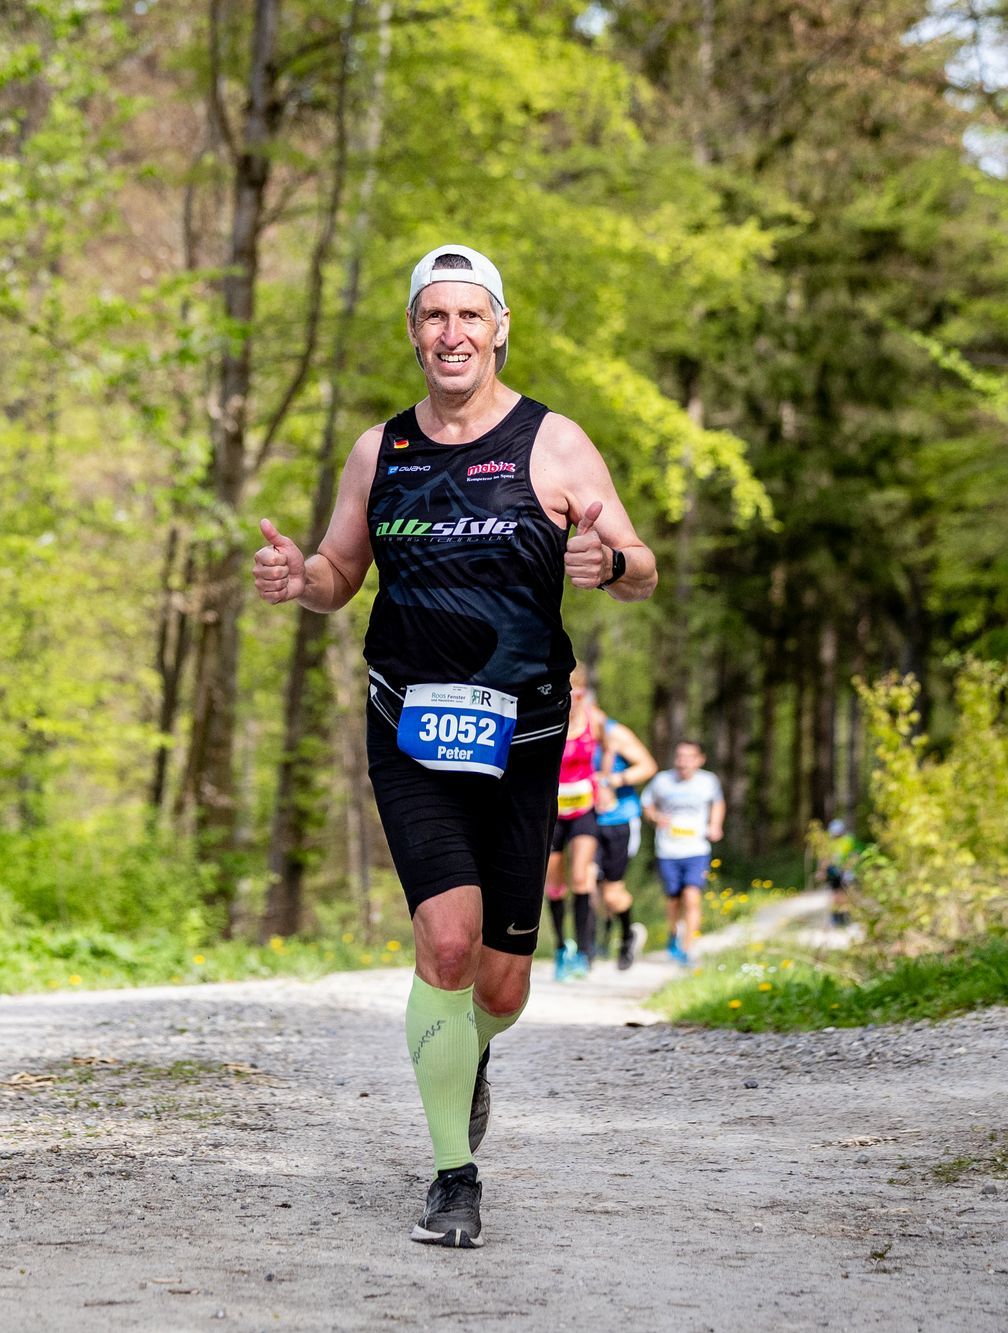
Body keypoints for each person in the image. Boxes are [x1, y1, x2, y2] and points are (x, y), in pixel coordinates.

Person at [251, 244, 656, 1249]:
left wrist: (605, 560)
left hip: (524, 738)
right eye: (433, 316)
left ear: (499, 326)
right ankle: (451, 1174)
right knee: (442, 939)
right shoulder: (374, 451)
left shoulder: (553, 443)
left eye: (469, 315)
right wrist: (297, 577)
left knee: (501, 984)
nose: (451, 333)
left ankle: (467, 1053)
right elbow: (340, 571)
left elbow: (642, 565)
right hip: (410, 729)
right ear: (412, 331)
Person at [642, 740, 725, 966]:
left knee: (692, 896)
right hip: (668, 850)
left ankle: (688, 948)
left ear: (700, 760)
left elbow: (718, 803)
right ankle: (673, 935)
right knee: (673, 900)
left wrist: (715, 825)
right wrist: (656, 817)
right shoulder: (662, 781)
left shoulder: (708, 781)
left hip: (696, 849)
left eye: (689, 757)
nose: (683, 761)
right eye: (680, 756)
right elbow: (647, 804)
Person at [545, 663, 604, 981]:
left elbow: (617, 746)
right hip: (552, 812)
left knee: (581, 878)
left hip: (584, 811)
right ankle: (559, 949)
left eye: (578, 691)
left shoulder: (595, 721)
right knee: (554, 885)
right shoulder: (548, 719)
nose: (573, 698)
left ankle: (583, 951)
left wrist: (608, 780)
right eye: (567, 691)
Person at [594, 710, 658, 969]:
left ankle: (627, 935)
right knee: (588, 884)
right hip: (587, 819)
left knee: (611, 892)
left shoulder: (614, 732)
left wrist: (614, 780)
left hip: (620, 818)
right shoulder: (572, 729)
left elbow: (648, 766)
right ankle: (595, 942)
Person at [824, 818, 856, 928]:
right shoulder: (830, 842)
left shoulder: (848, 840)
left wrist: (849, 868)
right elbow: (826, 857)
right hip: (834, 871)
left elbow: (853, 855)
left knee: (845, 895)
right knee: (835, 895)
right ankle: (835, 918)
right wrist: (823, 870)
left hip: (846, 871)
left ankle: (846, 918)